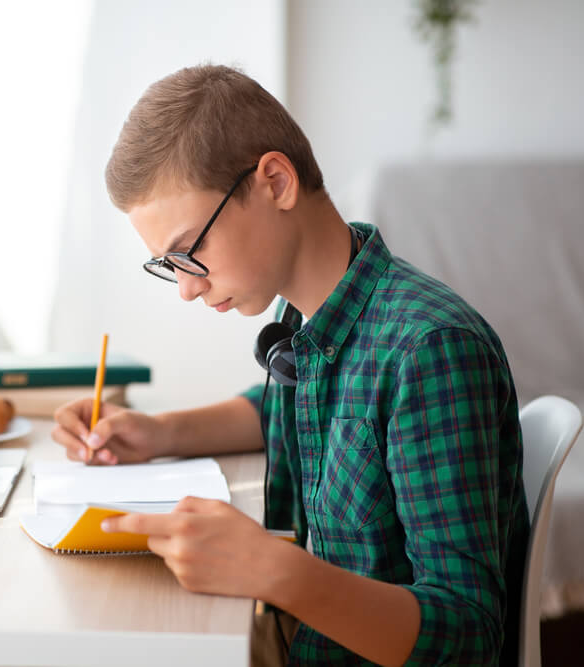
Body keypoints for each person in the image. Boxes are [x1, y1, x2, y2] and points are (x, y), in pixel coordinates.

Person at [51, 64, 529, 666]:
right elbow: (283, 408)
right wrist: (158, 432)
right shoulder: (307, 314)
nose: (187, 289)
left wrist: (275, 570)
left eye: (190, 251)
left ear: (276, 182)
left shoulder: (430, 351)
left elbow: (468, 635)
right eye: (168, 265)